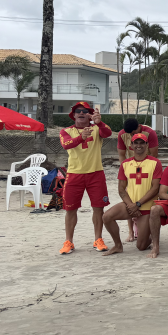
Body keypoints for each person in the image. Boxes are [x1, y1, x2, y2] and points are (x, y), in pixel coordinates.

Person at [58, 102, 113, 255]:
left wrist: (99, 121)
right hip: (74, 174)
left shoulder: (97, 128)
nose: (81, 113)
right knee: (70, 209)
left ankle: (98, 239)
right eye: (78, 111)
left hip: (96, 173)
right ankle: (68, 241)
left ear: (89, 114)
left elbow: (108, 133)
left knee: (98, 208)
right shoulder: (66, 131)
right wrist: (81, 137)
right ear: (73, 115)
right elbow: (66, 145)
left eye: (85, 111)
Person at [101, 134, 163, 256]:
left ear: (147, 145)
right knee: (106, 217)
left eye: (142, 143)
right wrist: (131, 205)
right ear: (131, 146)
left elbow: (155, 188)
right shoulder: (125, 164)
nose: (139, 145)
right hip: (130, 205)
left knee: (141, 246)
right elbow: (121, 189)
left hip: (147, 207)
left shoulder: (155, 163)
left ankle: (149, 236)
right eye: (136, 143)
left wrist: (138, 204)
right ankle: (118, 245)